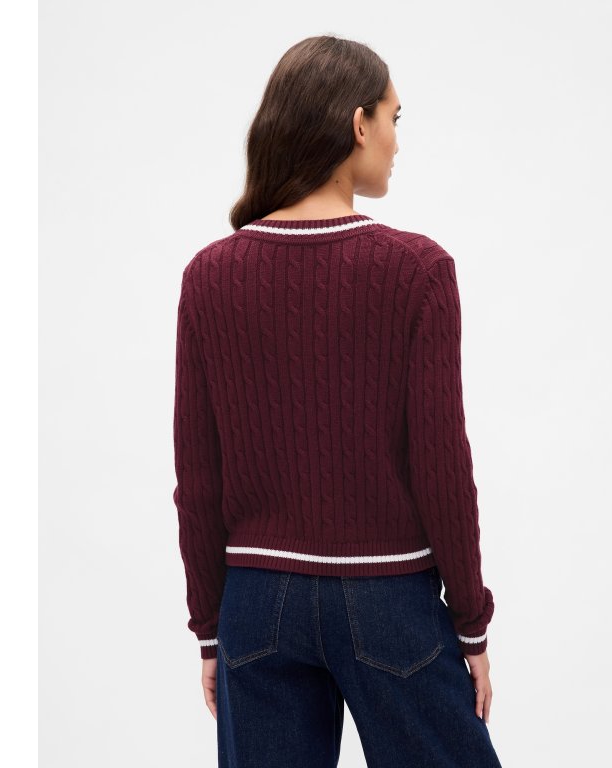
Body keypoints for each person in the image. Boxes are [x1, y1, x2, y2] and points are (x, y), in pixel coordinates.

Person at [172, 34, 503, 767]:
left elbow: (197, 480)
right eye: (393, 117)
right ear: (358, 123)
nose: (396, 140)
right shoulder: (416, 270)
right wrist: (471, 622)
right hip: (389, 597)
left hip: (256, 603)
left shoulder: (209, 276)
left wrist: (211, 628)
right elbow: (442, 465)